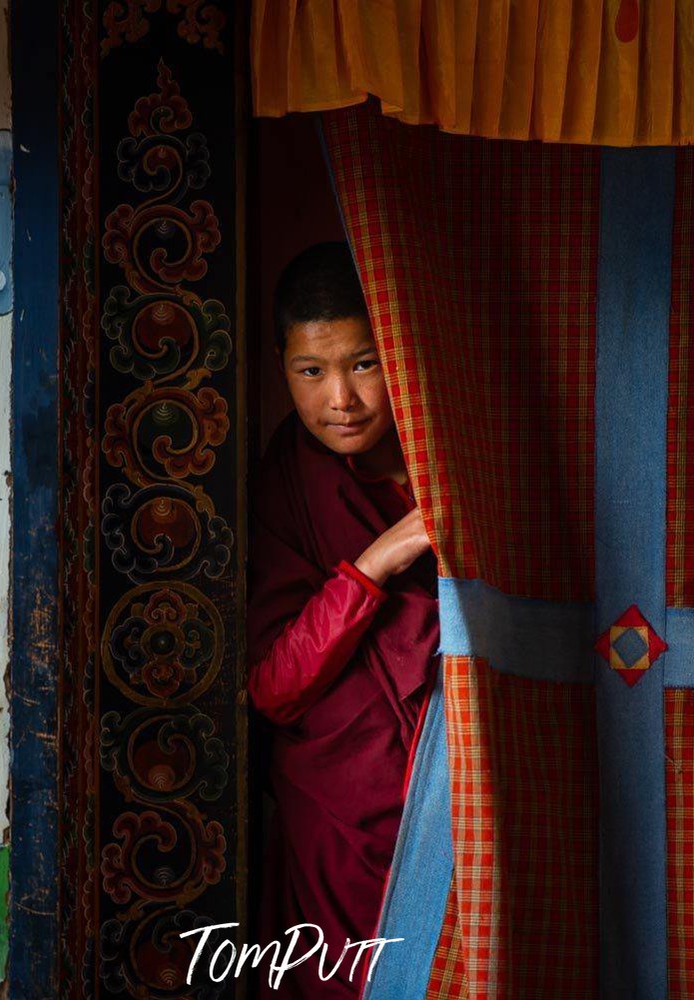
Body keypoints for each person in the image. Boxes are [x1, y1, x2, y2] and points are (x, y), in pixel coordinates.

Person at [249, 242, 439, 997]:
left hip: (461, 789)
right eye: (310, 371)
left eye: (364, 365)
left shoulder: (465, 462)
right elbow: (272, 687)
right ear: (279, 366)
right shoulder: (289, 483)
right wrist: (378, 559)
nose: (341, 400)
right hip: (339, 811)